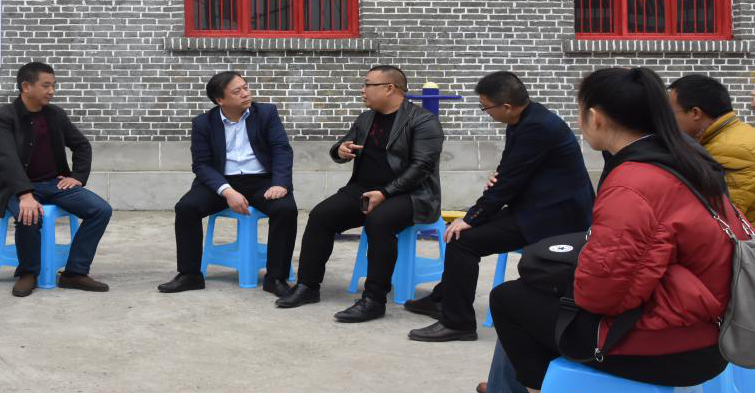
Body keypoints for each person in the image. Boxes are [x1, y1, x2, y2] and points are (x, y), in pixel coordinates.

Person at [488, 67, 742, 393]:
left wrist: (576, 273)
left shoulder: (634, 182)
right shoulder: (684, 159)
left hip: (675, 347)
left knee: (511, 300)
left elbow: (603, 295)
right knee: (540, 295)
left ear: (595, 117)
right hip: (709, 332)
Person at [406, 71, 594, 342]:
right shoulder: (525, 119)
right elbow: (510, 170)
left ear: (506, 106)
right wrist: (499, 177)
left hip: (555, 216)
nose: (485, 112)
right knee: (459, 234)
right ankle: (443, 298)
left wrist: (472, 217)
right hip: (535, 205)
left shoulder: (537, 127)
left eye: (485, 107)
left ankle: (458, 323)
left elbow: (509, 182)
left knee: (463, 240)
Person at [276, 65, 443, 323]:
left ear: (389, 88)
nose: (362, 90)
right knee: (320, 215)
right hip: (363, 190)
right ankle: (308, 286)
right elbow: (343, 147)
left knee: (379, 222)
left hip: (411, 195)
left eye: (368, 84)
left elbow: (422, 167)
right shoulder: (366, 118)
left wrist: (385, 193)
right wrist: (340, 150)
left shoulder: (423, 121)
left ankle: (374, 300)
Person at [158, 71, 297, 295]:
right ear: (220, 99)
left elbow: (281, 149)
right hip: (222, 181)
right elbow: (201, 165)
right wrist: (227, 191)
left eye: (246, 87)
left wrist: (280, 183)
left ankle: (276, 278)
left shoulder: (266, 113)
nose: (245, 93)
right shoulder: (203, 123)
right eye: (237, 91)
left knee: (286, 209)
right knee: (186, 208)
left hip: (262, 180)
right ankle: (190, 275)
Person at [0, 62, 113, 297]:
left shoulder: (55, 114)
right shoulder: (2, 118)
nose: (51, 91)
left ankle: (74, 272)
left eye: (53, 85)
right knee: (29, 214)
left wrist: (77, 177)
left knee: (100, 210)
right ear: (26, 86)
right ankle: (28, 273)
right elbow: (6, 159)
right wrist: (25, 195)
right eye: (46, 86)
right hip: (16, 188)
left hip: (55, 184)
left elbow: (81, 145)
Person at [669, 73, 755, 221]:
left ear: (695, 113)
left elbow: (721, 216)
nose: (668, 120)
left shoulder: (730, 149)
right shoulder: (738, 133)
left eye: (671, 113)